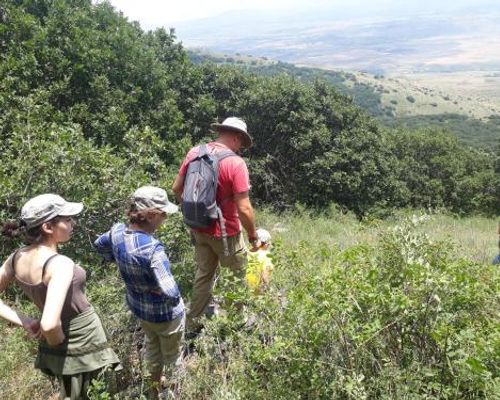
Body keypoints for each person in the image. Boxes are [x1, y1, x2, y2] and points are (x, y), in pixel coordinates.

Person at [0, 194, 121, 400]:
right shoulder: (60, 264)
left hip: (62, 345)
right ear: (48, 227)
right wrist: (58, 341)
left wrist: (27, 322)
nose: (72, 223)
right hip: (81, 340)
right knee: (97, 392)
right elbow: (49, 325)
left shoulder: (16, 258)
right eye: (67, 219)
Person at [94, 186, 184, 399]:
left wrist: (114, 258)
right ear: (152, 215)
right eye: (163, 215)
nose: (164, 219)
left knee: (152, 347)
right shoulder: (153, 249)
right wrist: (172, 299)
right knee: (172, 356)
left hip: (140, 309)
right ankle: (172, 394)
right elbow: (170, 291)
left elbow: (99, 245)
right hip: (166, 315)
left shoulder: (116, 233)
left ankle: (153, 392)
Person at [172, 117, 260, 333]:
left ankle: (193, 324)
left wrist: (194, 213)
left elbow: (176, 188)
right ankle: (233, 326)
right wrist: (252, 236)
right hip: (226, 233)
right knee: (235, 278)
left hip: (198, 227)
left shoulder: (195, 152)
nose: (241, 148)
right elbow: (244, 208)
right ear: (236, 137)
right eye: (241, 143)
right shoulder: (235, 163)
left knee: (204, 275)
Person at [246, 228, 274, 294]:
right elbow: (265, 277)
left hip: (244, 292)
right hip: (257, 294)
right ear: (265, 243)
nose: (269, 244)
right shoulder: (267, 255)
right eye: (268, 242)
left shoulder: (246, 253)